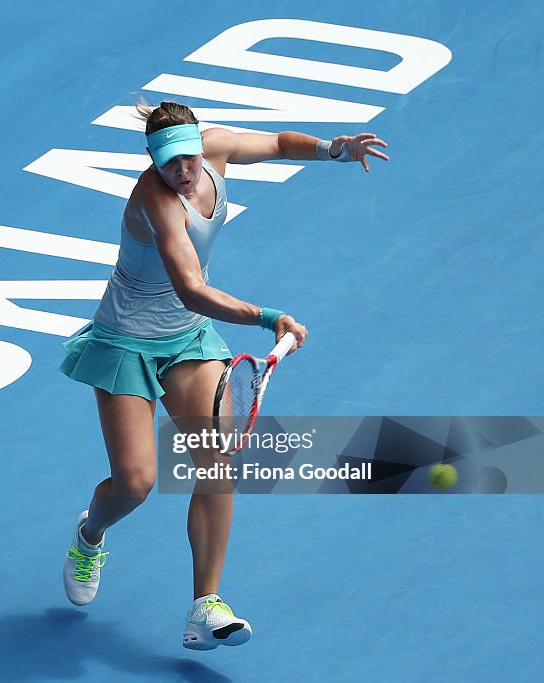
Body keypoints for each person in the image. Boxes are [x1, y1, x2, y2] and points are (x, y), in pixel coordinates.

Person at [58, 100, 388, 650]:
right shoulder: (155, 201)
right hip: (127, 344)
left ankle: (204, 607)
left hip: (187, 339)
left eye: (188, 159)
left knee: (215, 462)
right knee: (136, 484)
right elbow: (190, 286)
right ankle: (89, 534)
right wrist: (266, 317)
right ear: (152, 162)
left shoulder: (218, 147)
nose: (183, 172)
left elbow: (282, 145)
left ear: (199, 146)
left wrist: (335, 149)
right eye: (169, 165)